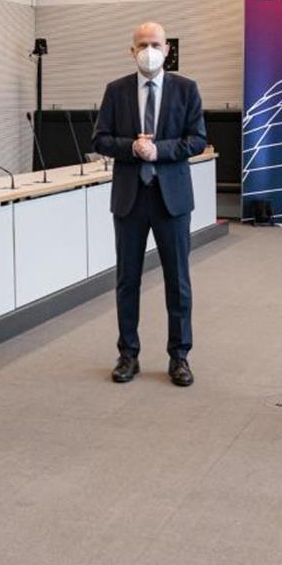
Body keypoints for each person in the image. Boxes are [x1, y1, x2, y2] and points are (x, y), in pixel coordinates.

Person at [93, 22, 207, 387]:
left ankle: (180, 357)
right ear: (131, 50)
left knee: (178, 282)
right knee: (127, 281)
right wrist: (132, 147)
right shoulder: (116, 91)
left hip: (171, 199)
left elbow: (197, 140)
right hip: (130, 198)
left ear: (167, 49)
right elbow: (100, 139)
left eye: (155, 43)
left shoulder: (186, 89)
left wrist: (160, 150)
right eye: (142, 44)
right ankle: (128, 354)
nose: (149, 50)